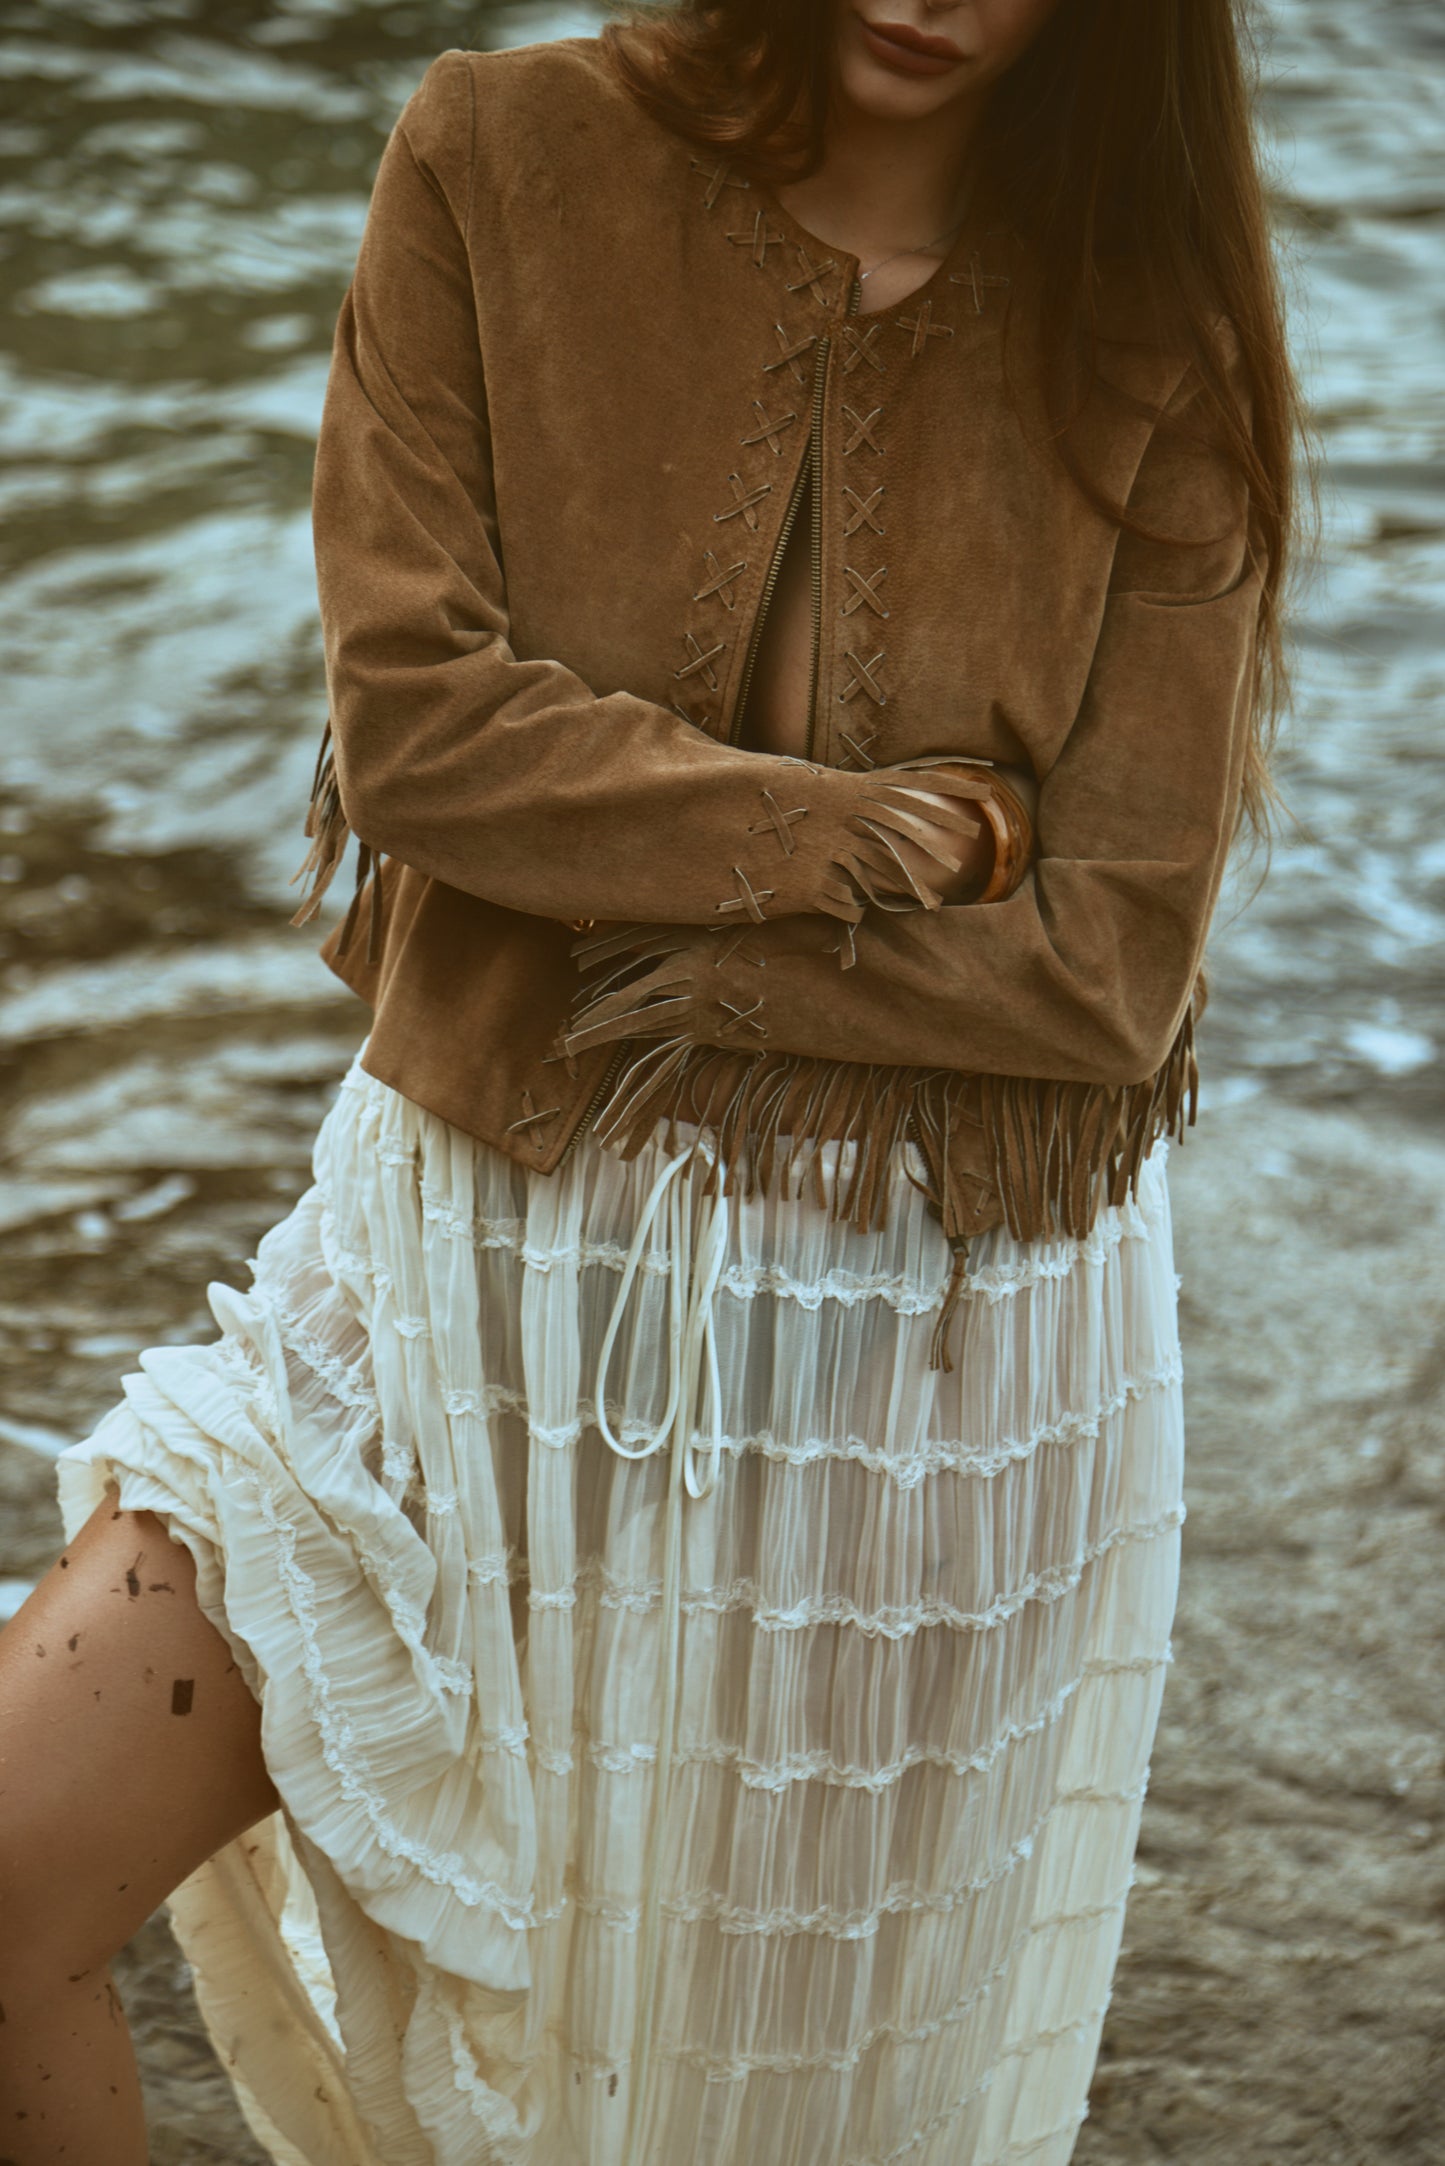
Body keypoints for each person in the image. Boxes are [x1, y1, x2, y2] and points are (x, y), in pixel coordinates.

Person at [0, 2, 1299, 2161]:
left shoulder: (1153, 330)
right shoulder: (500, 156)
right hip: (436, 1292)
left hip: (922, 1393)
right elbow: (412, 737)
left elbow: (1102, 985)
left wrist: (609, 914)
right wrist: (876, 837)